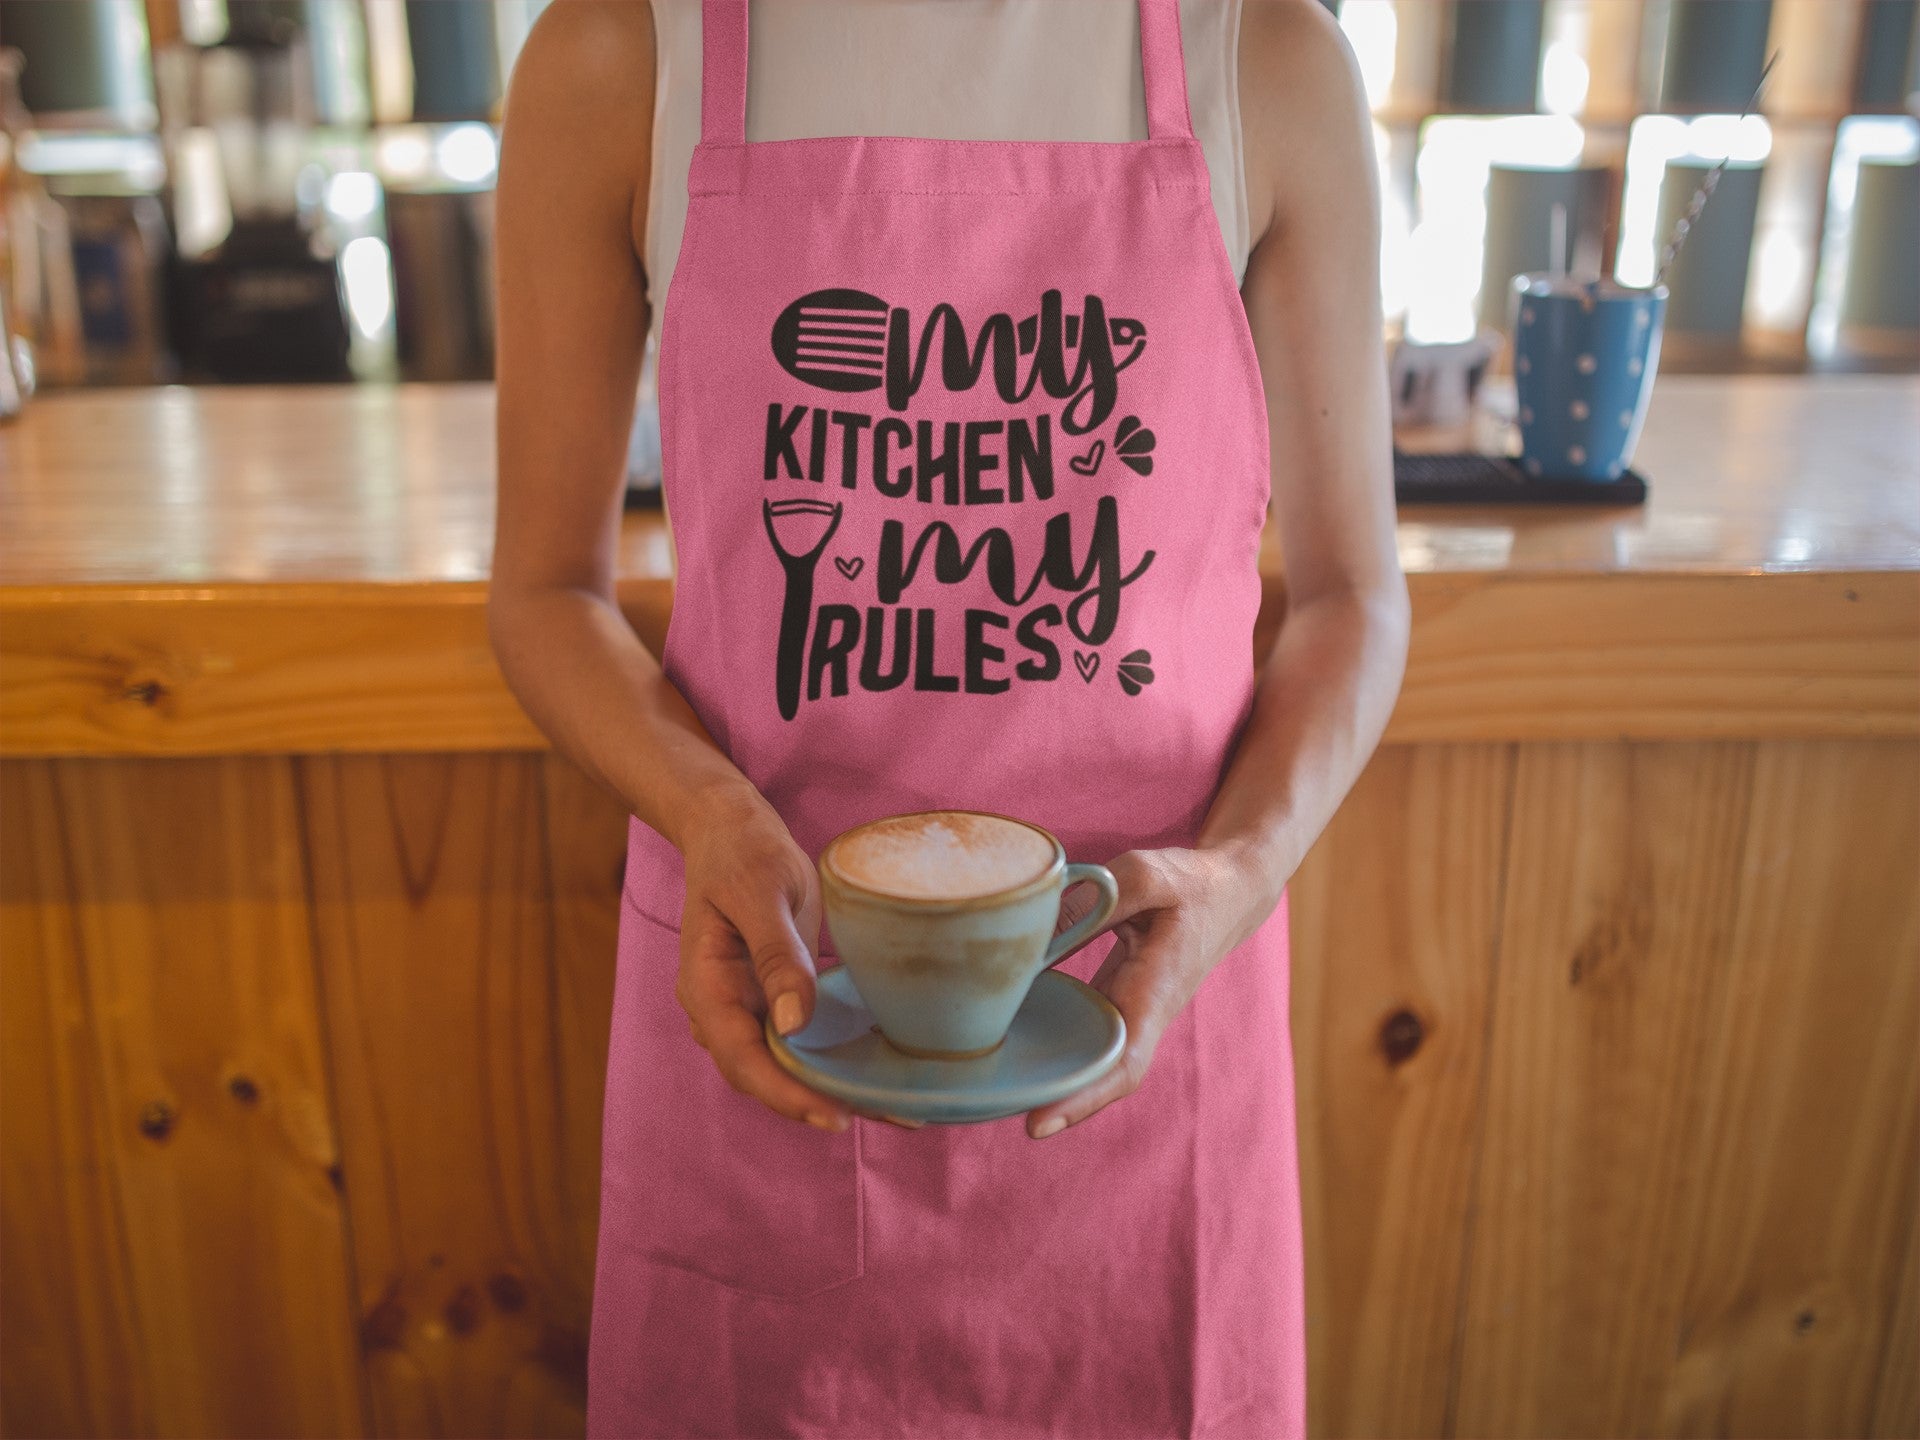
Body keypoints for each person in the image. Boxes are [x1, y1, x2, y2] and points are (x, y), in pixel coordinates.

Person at [489, 0, 1409, 1433]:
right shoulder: (620, 56)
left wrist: (1235, 874)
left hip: (1147, 1039)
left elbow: (1355, 599)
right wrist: (708, 810)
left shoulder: (1263, 56)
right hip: (766, 1013)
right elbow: (547, 591)